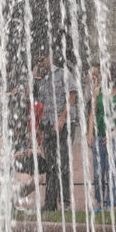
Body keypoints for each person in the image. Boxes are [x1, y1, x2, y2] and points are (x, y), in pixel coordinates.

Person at [88, 65, 116, 210]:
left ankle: (111, 201)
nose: (101, 75)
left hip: (114, 138)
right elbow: (92, 114)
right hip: (99, 136)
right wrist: (90, 134)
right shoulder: (97, 91)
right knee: (98, 171)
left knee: (111, 170)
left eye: (104, 73)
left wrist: (113, 133)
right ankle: (99, 200)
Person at [37, 53, 77, 211]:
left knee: (63, 163)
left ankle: (66, 203)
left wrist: (61, 119)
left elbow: (72, 96)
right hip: (48, 125)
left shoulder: (63, 73)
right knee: (50, 165)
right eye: (37, 61)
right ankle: (50, 203)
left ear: (49, 58)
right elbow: (43, 104)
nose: (39, 63)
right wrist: (40, 127)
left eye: (41, 59)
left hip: (64, 124)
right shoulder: (43, 78)